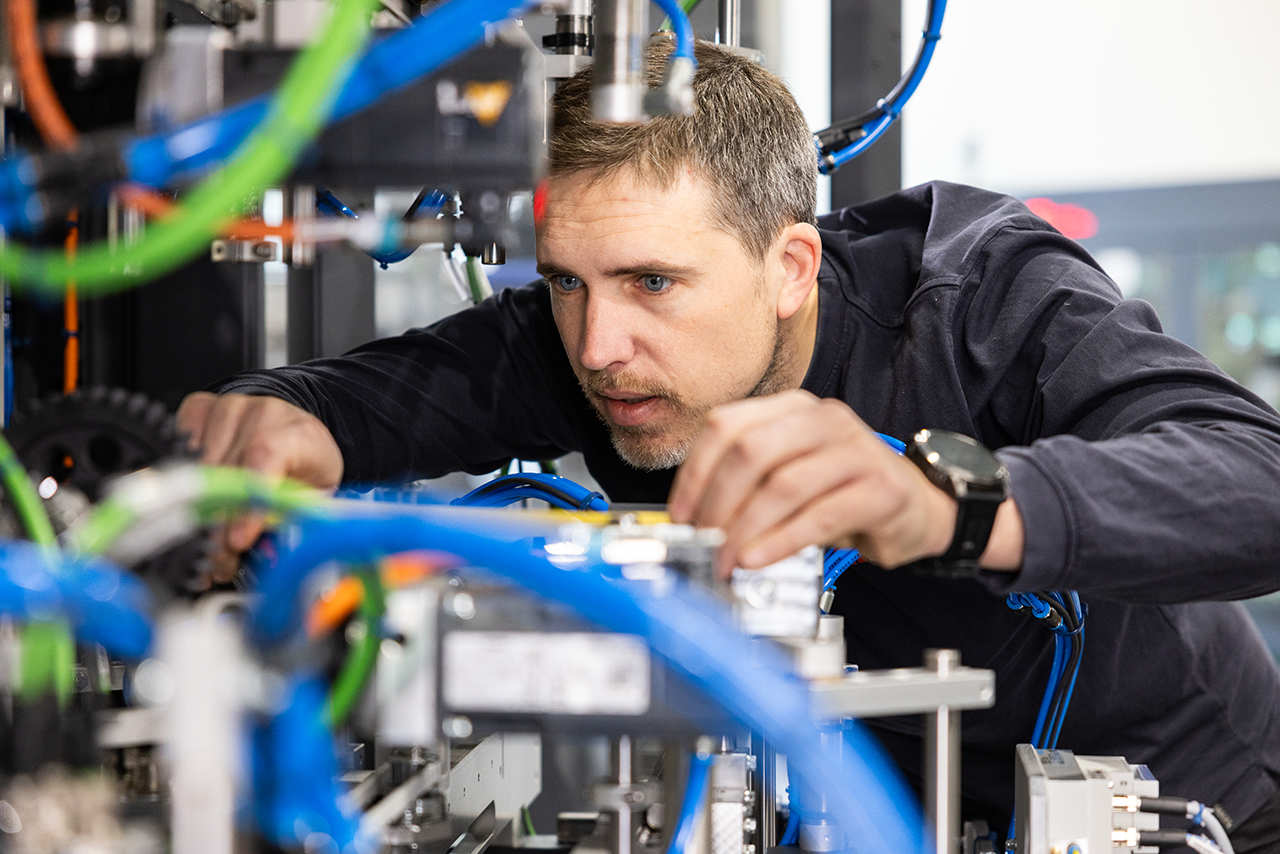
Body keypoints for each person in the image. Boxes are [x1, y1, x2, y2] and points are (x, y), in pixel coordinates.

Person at [177, 40, 1280, 847]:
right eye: (565, 280)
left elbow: (1256, 480)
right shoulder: (592, 342)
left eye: (653, 281)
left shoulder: (983, 300)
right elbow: (361, 398)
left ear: (791, 266)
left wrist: (944, 502)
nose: (601, 344)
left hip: (1185, 802)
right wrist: (283, 413)